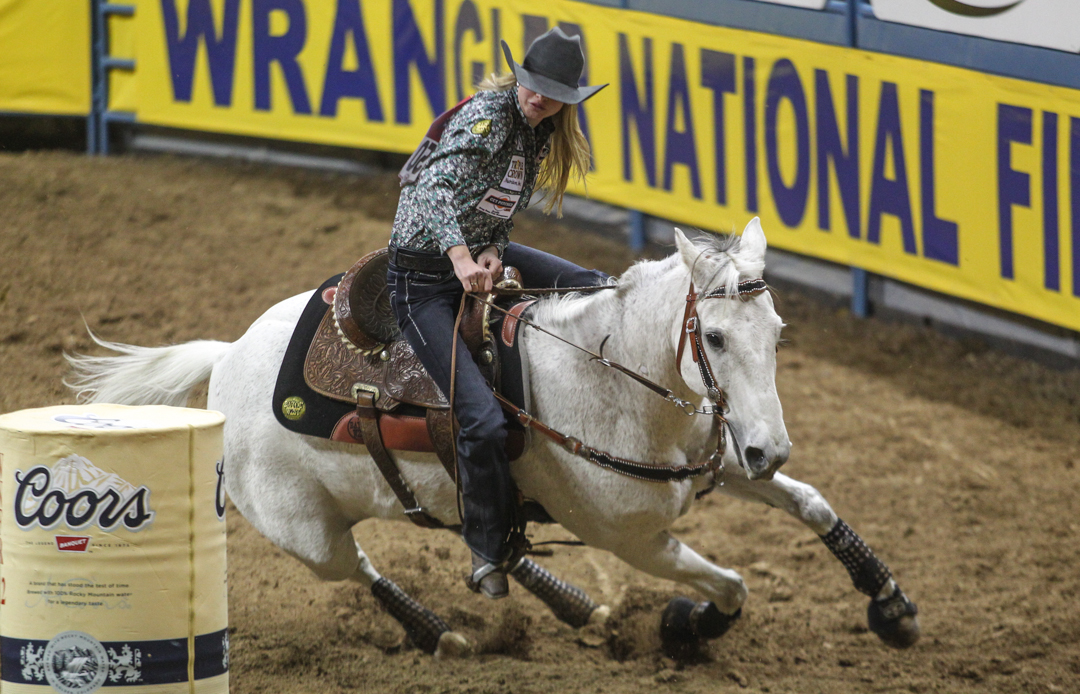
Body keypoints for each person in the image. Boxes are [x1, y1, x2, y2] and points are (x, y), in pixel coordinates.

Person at [386, 27, 609, 599]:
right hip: (421, 279)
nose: (540, 98)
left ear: (567, 100)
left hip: (476, 254)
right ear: (521, 80)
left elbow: (498, 209)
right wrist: (463, 259)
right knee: (481, 420)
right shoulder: (488, 118)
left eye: (552, 92)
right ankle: (486, 548)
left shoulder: (536, 135)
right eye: (534, 86)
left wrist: (491, 248)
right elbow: (433, 188)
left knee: (591, 284)